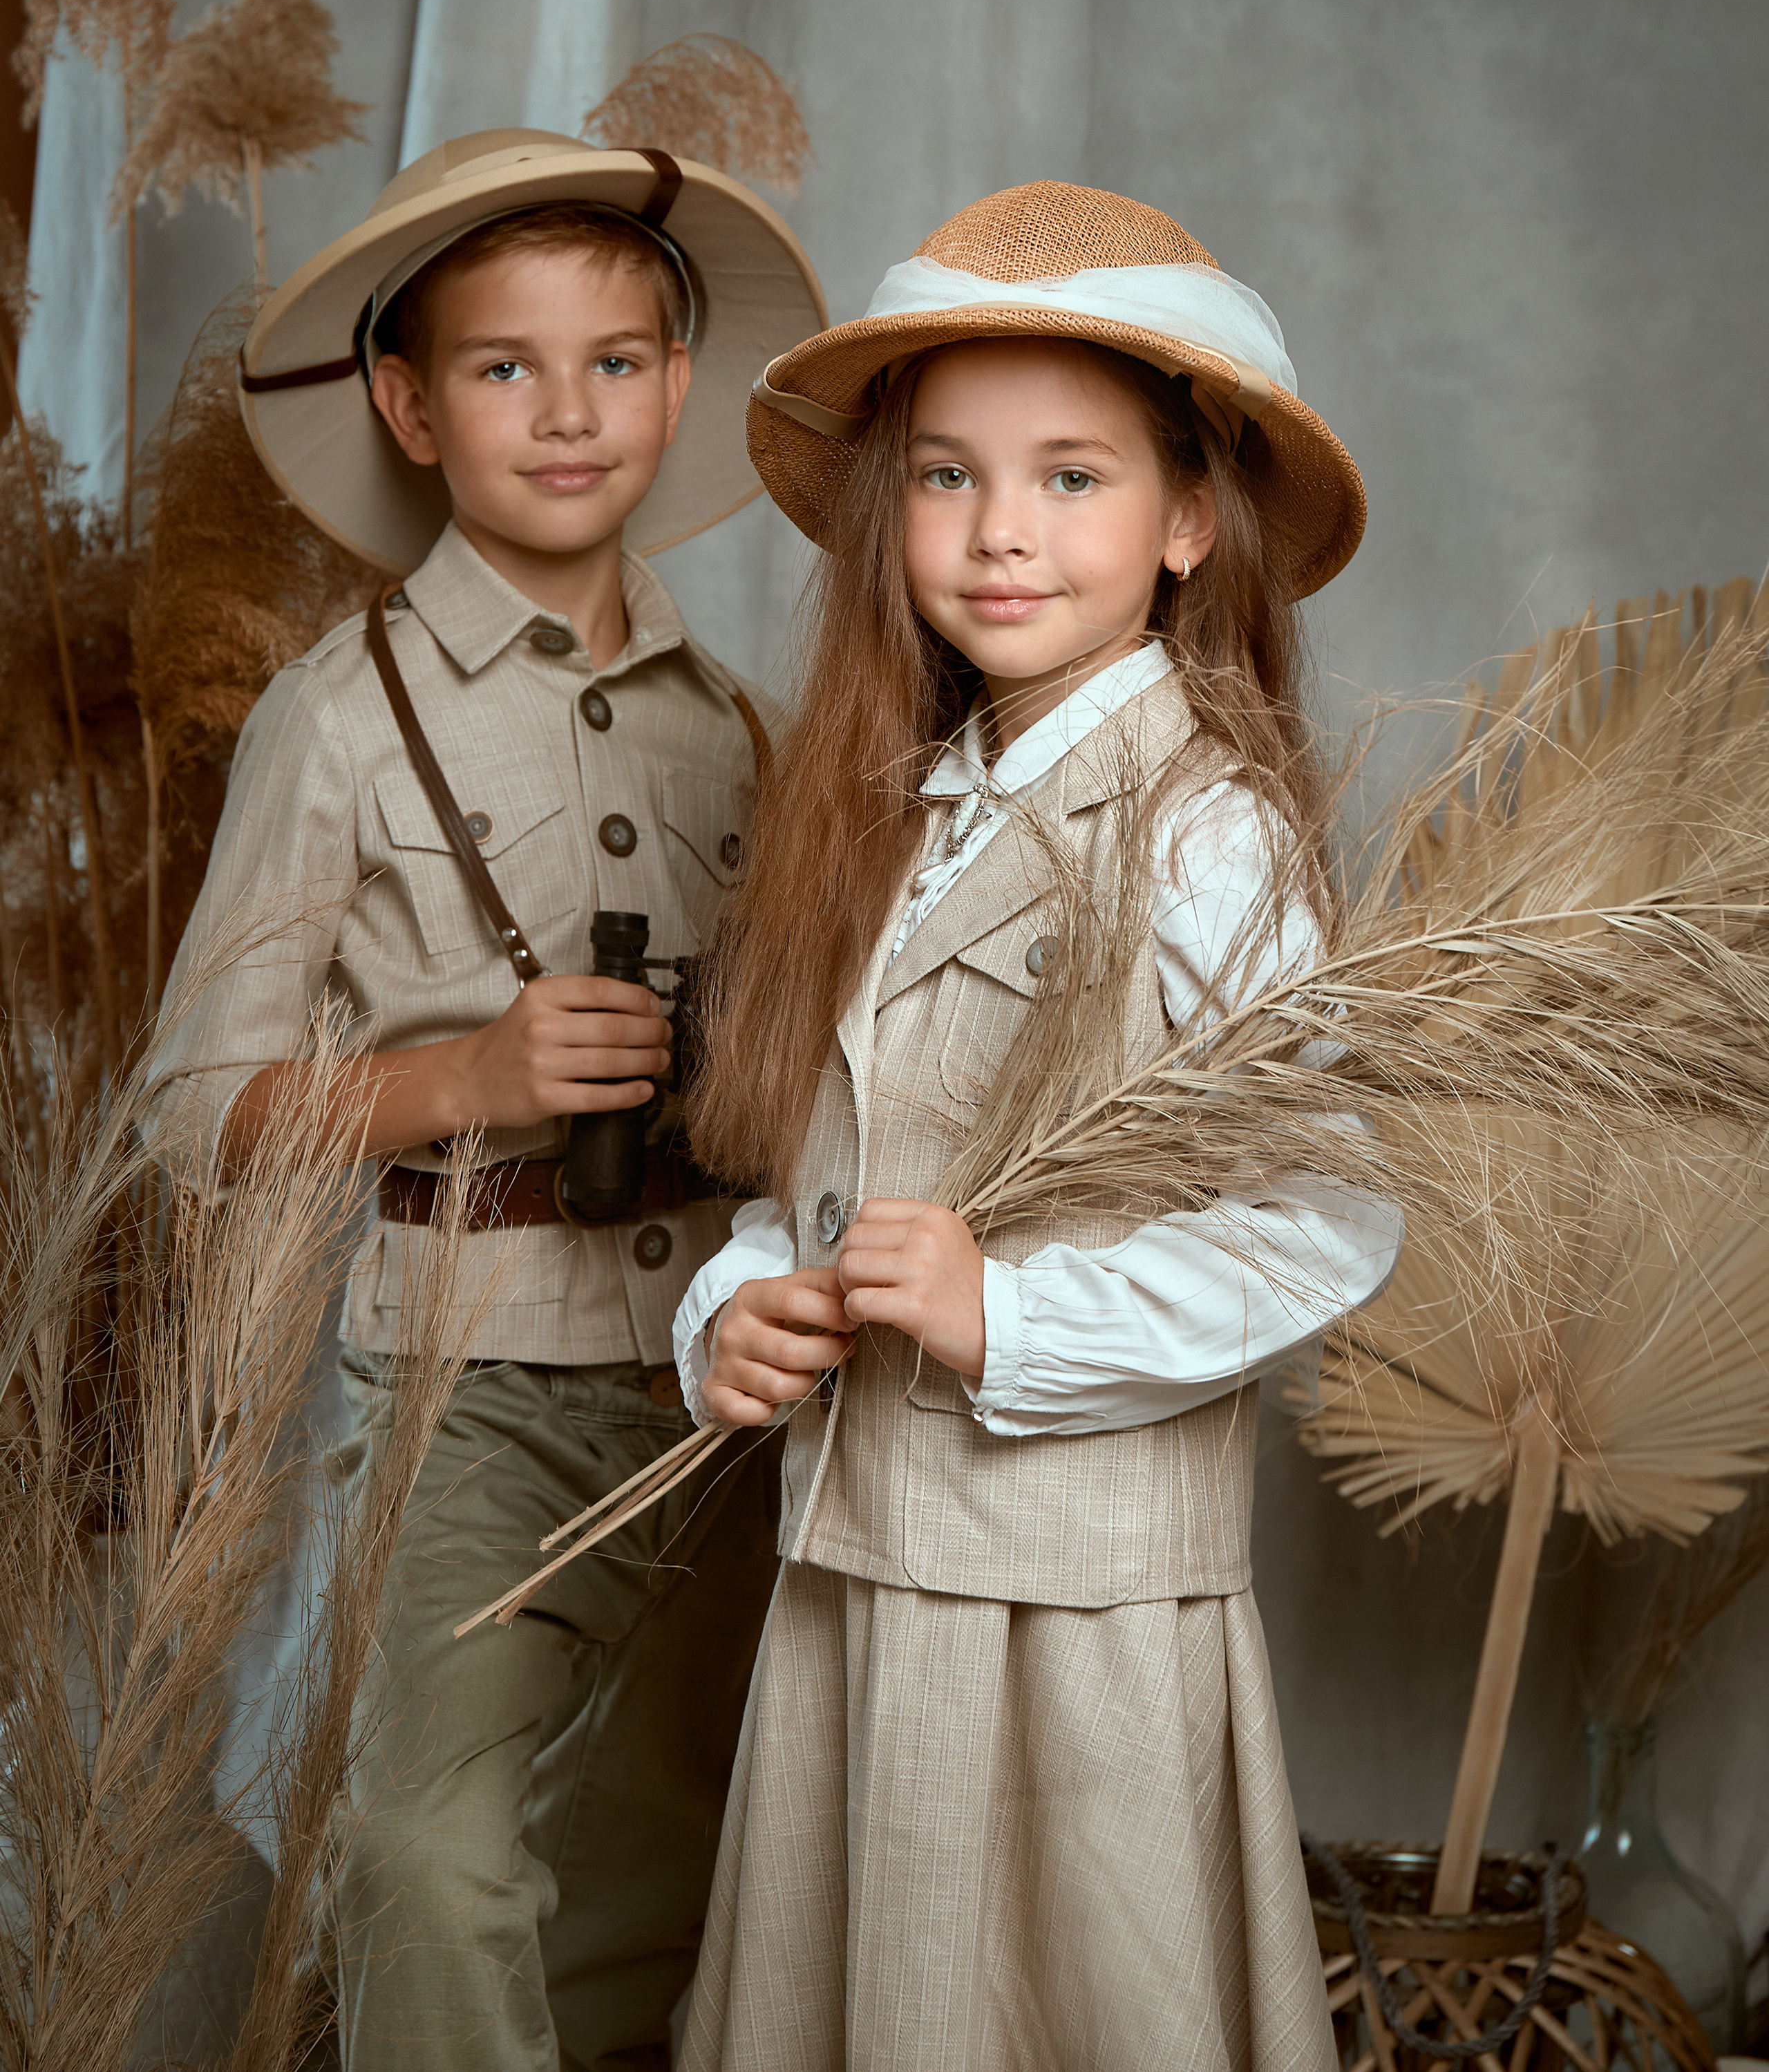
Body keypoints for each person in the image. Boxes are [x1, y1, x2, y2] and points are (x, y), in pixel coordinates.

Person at [670, 180, 1404, 2071]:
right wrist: (736, 1307)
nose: (999, 531)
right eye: (945, 475)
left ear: (1187, 523)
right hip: (856, 1575)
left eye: (1071, 477)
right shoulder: (900, 801)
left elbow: (1327, 1215)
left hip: (1070, 1621)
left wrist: (1010, 1317)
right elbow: (831, 1166)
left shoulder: (1206, 824)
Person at [142, 131, 826, 2072]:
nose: (567, 408)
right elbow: (190, 1112)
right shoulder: (338, 714)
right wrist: (464, 1076)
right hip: (464, 1376)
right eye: (505, 365)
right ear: (407, 403)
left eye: (615, 359)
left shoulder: (742, 726)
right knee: (422, 1848)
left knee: (648, 1869)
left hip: (715, 1374)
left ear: (679, 391)